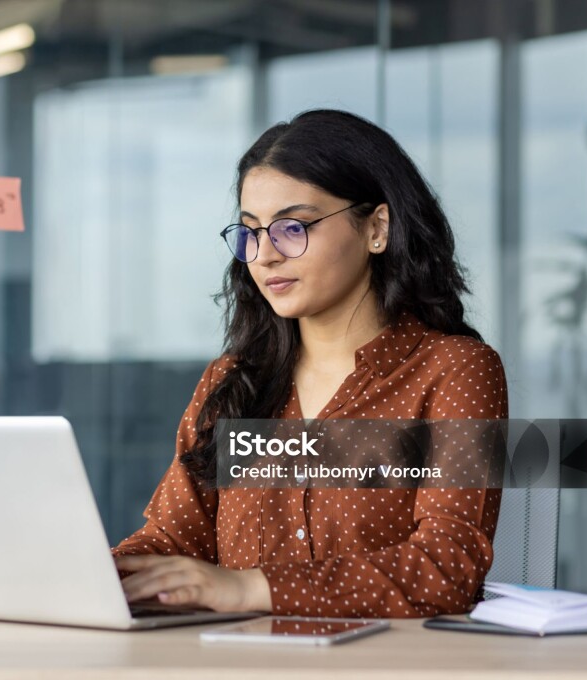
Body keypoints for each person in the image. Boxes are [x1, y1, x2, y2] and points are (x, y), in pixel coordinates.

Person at [111, 109, 509, 618]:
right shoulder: (234, 382)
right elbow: (172, 541)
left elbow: (446, 566)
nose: (265, 255)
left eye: (292, 227)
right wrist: (92, 578)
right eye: (251, 232)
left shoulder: (453, 371)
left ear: (377, 229)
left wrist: (248, 589)